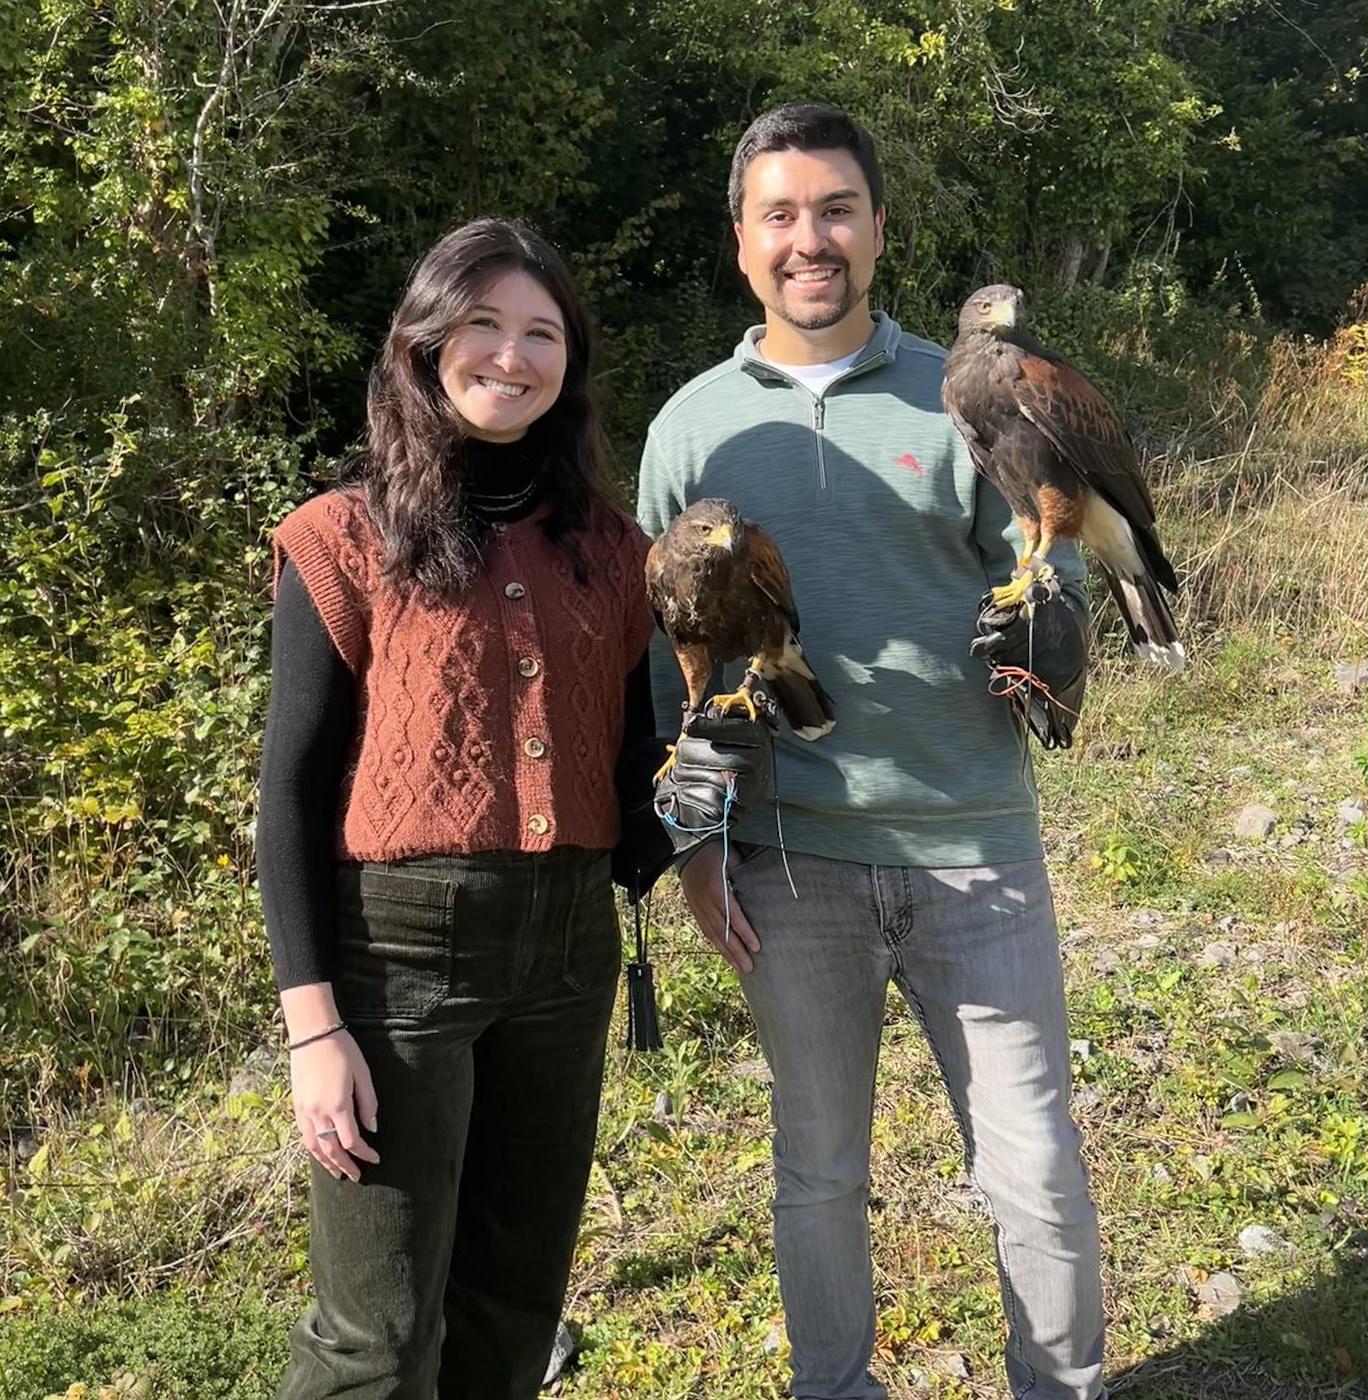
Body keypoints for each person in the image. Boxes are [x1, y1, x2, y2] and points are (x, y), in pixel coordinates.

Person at [639, 104, 1107, 1400]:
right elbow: (660, 657)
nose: (811, 239)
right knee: (819, 1172)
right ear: (742, 242)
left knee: (1033, 1167)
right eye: (781, 215)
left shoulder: (964, 400)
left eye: (836, 209)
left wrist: (1053, 629)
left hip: (976, 850)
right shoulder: (687, 431)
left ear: (879, 227)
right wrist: (692, 851)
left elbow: (1050, 571)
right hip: (797, 866)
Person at [256, 217, 662, 1399]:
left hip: (568, 948)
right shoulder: (344, 534)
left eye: (541, 333)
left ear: (569, 366)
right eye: (482, 324)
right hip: (397, 956)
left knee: (511, 1305)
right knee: (374, 1336)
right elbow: (285, 792)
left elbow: (632, 768)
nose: (511, 355)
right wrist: (313, 1027)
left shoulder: (613, 548)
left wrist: (703, 771)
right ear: (426, 342)